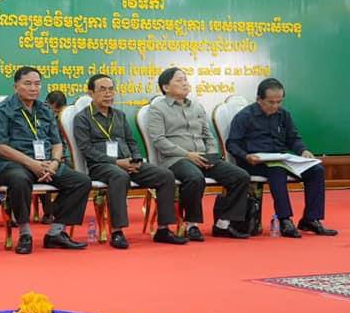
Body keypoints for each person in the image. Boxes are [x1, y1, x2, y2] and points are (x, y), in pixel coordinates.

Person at [73, 74, 188, 249]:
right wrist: (117, 163)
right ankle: (117, 232)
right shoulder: (82, 118)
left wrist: (136, 160)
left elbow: (131, 141)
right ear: (91, 93)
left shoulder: (119, 115)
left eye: (111, 89)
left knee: (165, 176)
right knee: (119, 176)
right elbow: (86, 149)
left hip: (129, 163)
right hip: (101, 166)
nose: (108, 94)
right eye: (102, 90)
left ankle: (163, 230)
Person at [0, 67, 91, 254]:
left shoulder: (45, 110)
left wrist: (54, 163)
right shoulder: (3, 110)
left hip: (45, 163)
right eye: (28, 84)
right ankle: (25, 234)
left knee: (81, 181)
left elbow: (57, 143)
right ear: (16, 86)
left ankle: (56, 233)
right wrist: (32, 164)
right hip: (12, 163)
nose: (33, 88)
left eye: (37, 84)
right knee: (19, 179)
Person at [146, 68, 250, 240]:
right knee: (195, 177)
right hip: (175, 159)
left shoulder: (196, 106)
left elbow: (208, 135)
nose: (185, 83)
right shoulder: (157, 108)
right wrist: (188, 155)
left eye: (185, 79)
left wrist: (211, 155)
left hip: (202, 157)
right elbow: (159, 140)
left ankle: (223, 223)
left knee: (240, 176)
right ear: (165, 87)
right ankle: (191, 225)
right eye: (179, 80)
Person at [226, 78, 337, 238]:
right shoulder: (244, 116)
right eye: (271, 102)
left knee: (316, 170)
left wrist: (303, 150)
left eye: (279, 102)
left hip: (280, 159)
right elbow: (232, 144)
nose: (275, 106)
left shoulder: (283, 115)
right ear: (259, 99)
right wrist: (246, 156)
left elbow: (293, 138)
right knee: (277, 170)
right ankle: (285, 219)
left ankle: (311, 219)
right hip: (254, 161)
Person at [39, 90, 70, 224]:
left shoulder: (62, 119)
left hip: (59, 157)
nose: (55, 114)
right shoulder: (38, 116)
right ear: (47, 104)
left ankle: (58, 209)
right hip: (40, 157)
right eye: (53, 110)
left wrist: (60, 157)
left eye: (58, 112)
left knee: (76, 176)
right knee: (44, 173)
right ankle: (48, 211)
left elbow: (63, 143)